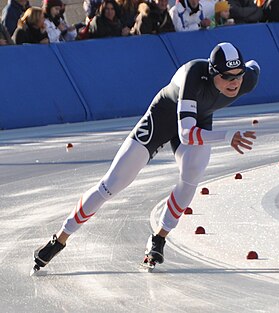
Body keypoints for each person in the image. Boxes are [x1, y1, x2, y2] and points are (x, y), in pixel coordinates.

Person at [32, 42, 260, 273]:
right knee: (113, 183)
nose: (234, 82)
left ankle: (159, 239)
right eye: (227, 77)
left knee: (193, 173)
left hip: (198, 120)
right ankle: (59, 240)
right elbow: (186, 133)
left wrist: (243, 75)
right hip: (163, 117)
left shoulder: (248, 79)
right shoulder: (194, 75)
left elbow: (254, 66)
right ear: (212, 73)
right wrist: (227, 135)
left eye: (238, 75)